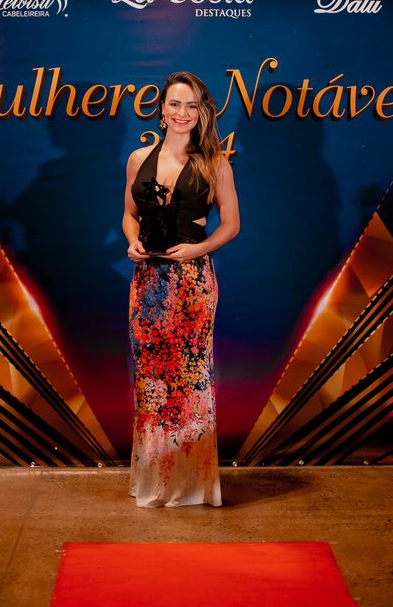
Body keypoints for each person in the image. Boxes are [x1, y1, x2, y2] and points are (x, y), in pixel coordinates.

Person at [122, 71, 240, 508]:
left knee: (190, 379)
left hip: (193, 284)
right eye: (175, 103)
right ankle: (154, 481)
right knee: (152, 380)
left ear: (202, 112)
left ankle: (190, 485)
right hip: (147, 284)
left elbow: (231, 224)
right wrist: (132, 241)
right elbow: (129, 214)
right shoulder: (138, 159)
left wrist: (198, 249)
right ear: (161, 109)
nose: (183, 113)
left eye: (192, 105)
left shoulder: (215, 163)